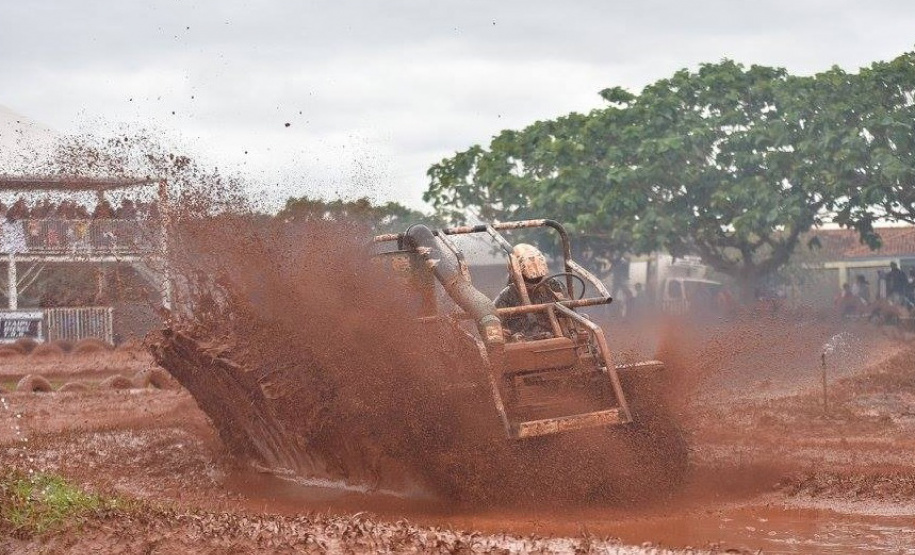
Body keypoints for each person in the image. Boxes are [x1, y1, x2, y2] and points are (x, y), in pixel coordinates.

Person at [494, 243, 566, 339]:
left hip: (556, 337)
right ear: (515, 275)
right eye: (529, 279)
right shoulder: (508, 294)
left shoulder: (554, 286)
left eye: (538, 278)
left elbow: (568, 310)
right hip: (524, 343)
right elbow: (492, 318)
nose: (534, 283)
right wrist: (500, 330)